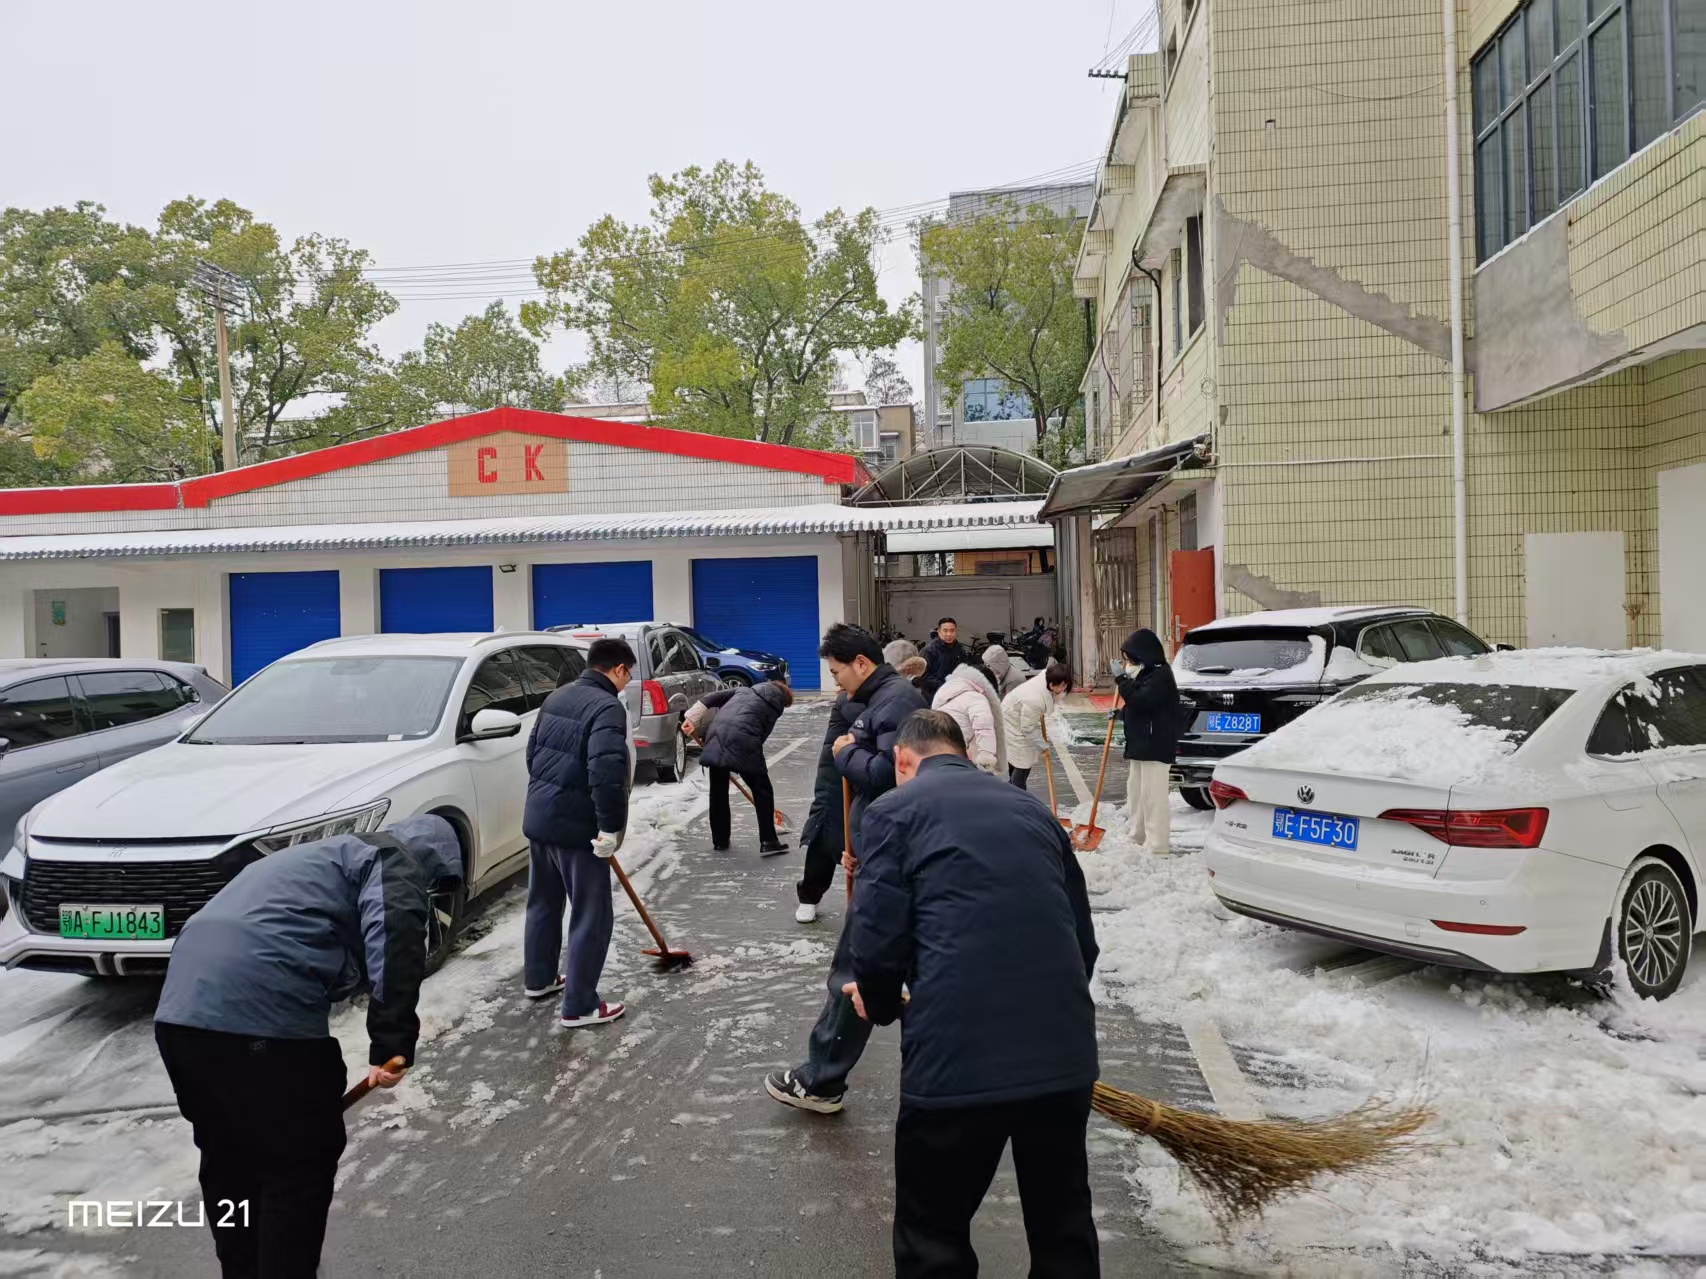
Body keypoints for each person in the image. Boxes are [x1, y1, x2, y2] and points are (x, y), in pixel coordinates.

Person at [842, 710, 1100, 1278]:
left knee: (932, 1236)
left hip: (955, 1063)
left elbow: (877, 937)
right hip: (1062, 1058)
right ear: (960, 753)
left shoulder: (894, 810)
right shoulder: (1031, 810)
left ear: (904, 760)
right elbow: (1082, 942)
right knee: (1063, 1227)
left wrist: (878, 1002)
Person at [154, 814, 463, 1279]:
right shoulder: (392, 860)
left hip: (180, 1021)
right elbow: (396, 937)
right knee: (297, 1162)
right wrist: (392, 1040)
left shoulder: (315, 860)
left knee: (229, 1159)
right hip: (259, 1024)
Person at [765, 622, 925, 1112]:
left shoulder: (895, 702)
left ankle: (821, 1080)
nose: (834, 681)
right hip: (881, 845)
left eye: (837, 672)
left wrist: (846, 753)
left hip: (892, 855)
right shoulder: (872, 700)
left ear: (861, 662)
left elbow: (888, 774)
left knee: (858, 964)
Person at [521, 635, 636, 1027]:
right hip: (577, 829)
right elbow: (606, 772)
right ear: (618, 669)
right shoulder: (607, 707)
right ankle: (581, 1005)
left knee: (543, 902)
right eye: (628, 675)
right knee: (592, 914)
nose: (627, 682)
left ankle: (539, 979)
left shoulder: (557, 696)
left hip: (540, 820)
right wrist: (609, 828)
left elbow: (532, 755)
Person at [697, 678, 793, 854]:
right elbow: (760, 736)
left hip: (715, 736)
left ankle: (720, 841)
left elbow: (709, 698)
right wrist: (740, 762)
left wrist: (690, 718)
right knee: (762, 790)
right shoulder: (773, 706)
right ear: (782, 698)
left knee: (717, 792)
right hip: (743, 742)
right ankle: (768, 840)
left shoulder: (742, 691)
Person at [1115, 629, 1181, 856]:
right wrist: (1121, 714)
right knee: (1136, 793)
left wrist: (1122, 680)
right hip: (1140, 744)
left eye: (1132, 658)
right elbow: (1138, 706)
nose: (1129, 663)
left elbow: (1142, 700)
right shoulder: (1145, 673)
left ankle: (1157, 845)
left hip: (1156, 744)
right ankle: (1138, 834)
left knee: (1153, 797)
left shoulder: (1161, 675)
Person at [1002, 661, 1073, 790]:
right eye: (1062, 685)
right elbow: (1028, 728)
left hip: (1017, 716)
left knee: (1020, 759)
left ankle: (1012, 790)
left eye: (1065, 684)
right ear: (1051, 685)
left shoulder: (1047, 678)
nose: (1064, 688)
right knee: (1023, 762)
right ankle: (1017, 793)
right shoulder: (1034, 700)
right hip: (1011, 722)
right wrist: (1043, 745)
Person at [931, 657, 1005, 774]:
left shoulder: (945, 690)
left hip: (939, 745)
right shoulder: (976, 697)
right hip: (963, 751)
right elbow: (984, 726)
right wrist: (986, 756)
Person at [918, 617, 972, 700]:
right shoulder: (929, 651)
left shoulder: (959, 649)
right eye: (945, 630)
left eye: (952, 630)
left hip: (954, 694)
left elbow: (965, 669)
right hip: (933, 696)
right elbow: (923, 675)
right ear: (939, 632)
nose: (949, 634)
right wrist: (943, 685)